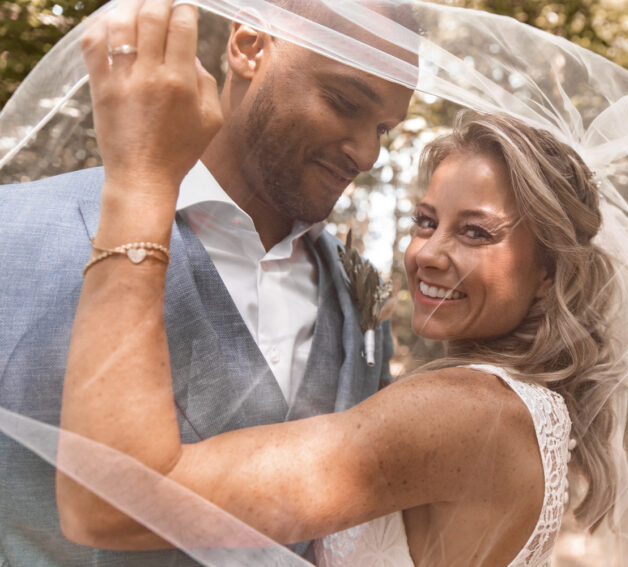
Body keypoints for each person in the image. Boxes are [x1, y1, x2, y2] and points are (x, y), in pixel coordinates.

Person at [53, 1, 623, 564]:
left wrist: (143, 180)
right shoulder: (519, 411)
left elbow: (112, 503)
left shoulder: (467, 413)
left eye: (476, 233)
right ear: (246, 46)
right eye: (426, 222)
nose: (428, 253)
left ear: (548, 276)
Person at [0, 0, 414, 564]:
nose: (367, 153)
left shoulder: (359, 301)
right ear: (249, 49)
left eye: (384, 129)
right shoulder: (14, 231)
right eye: (344, 102)